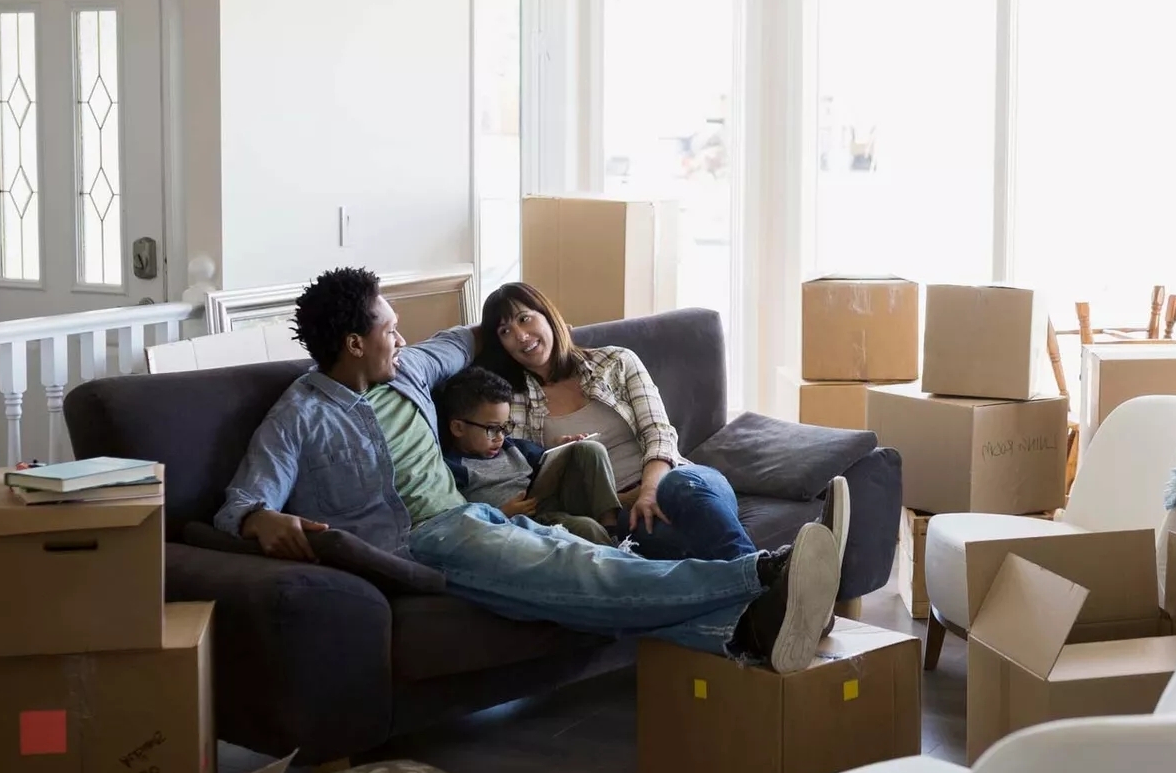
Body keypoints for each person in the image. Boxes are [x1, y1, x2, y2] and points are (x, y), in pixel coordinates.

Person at [213, 267, 838, 673]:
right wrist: (258, 517)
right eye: (390, 330)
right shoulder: (297, 415)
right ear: (355, 343)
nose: (401, 340)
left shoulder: (411, 372)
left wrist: (526, 326)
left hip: (473, 520)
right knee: (585, 567)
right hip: (419, 542)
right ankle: (762, 573)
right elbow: (241, 500)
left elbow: (472, 334)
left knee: (594, 576)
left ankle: (750, 631)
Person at [472, 282, 850, 564]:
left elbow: (659, 431)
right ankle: (777, 578)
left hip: (673, 477)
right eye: (505, 331)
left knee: (685, 489)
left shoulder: (615, 362)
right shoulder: (512, 402)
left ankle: (771, 577)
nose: (521, 336)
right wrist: (562, 459)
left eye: (525, 318)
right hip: (617, 514)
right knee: (677, 547)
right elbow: (528, 481)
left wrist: (650, 489)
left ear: (547, 316)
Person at [438, 365, 619, 548]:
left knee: (589, 448)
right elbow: (461, 521)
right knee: (588, 528)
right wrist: (502, 513)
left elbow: (548, 465)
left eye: (505, 427)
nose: (500, 437)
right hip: (526, 526)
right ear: (458, 428)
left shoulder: (514, 448)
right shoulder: (454, 468)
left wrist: (562, 447)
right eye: (492, 429)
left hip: (546, 501)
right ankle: (619, 557)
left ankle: (611, 528)